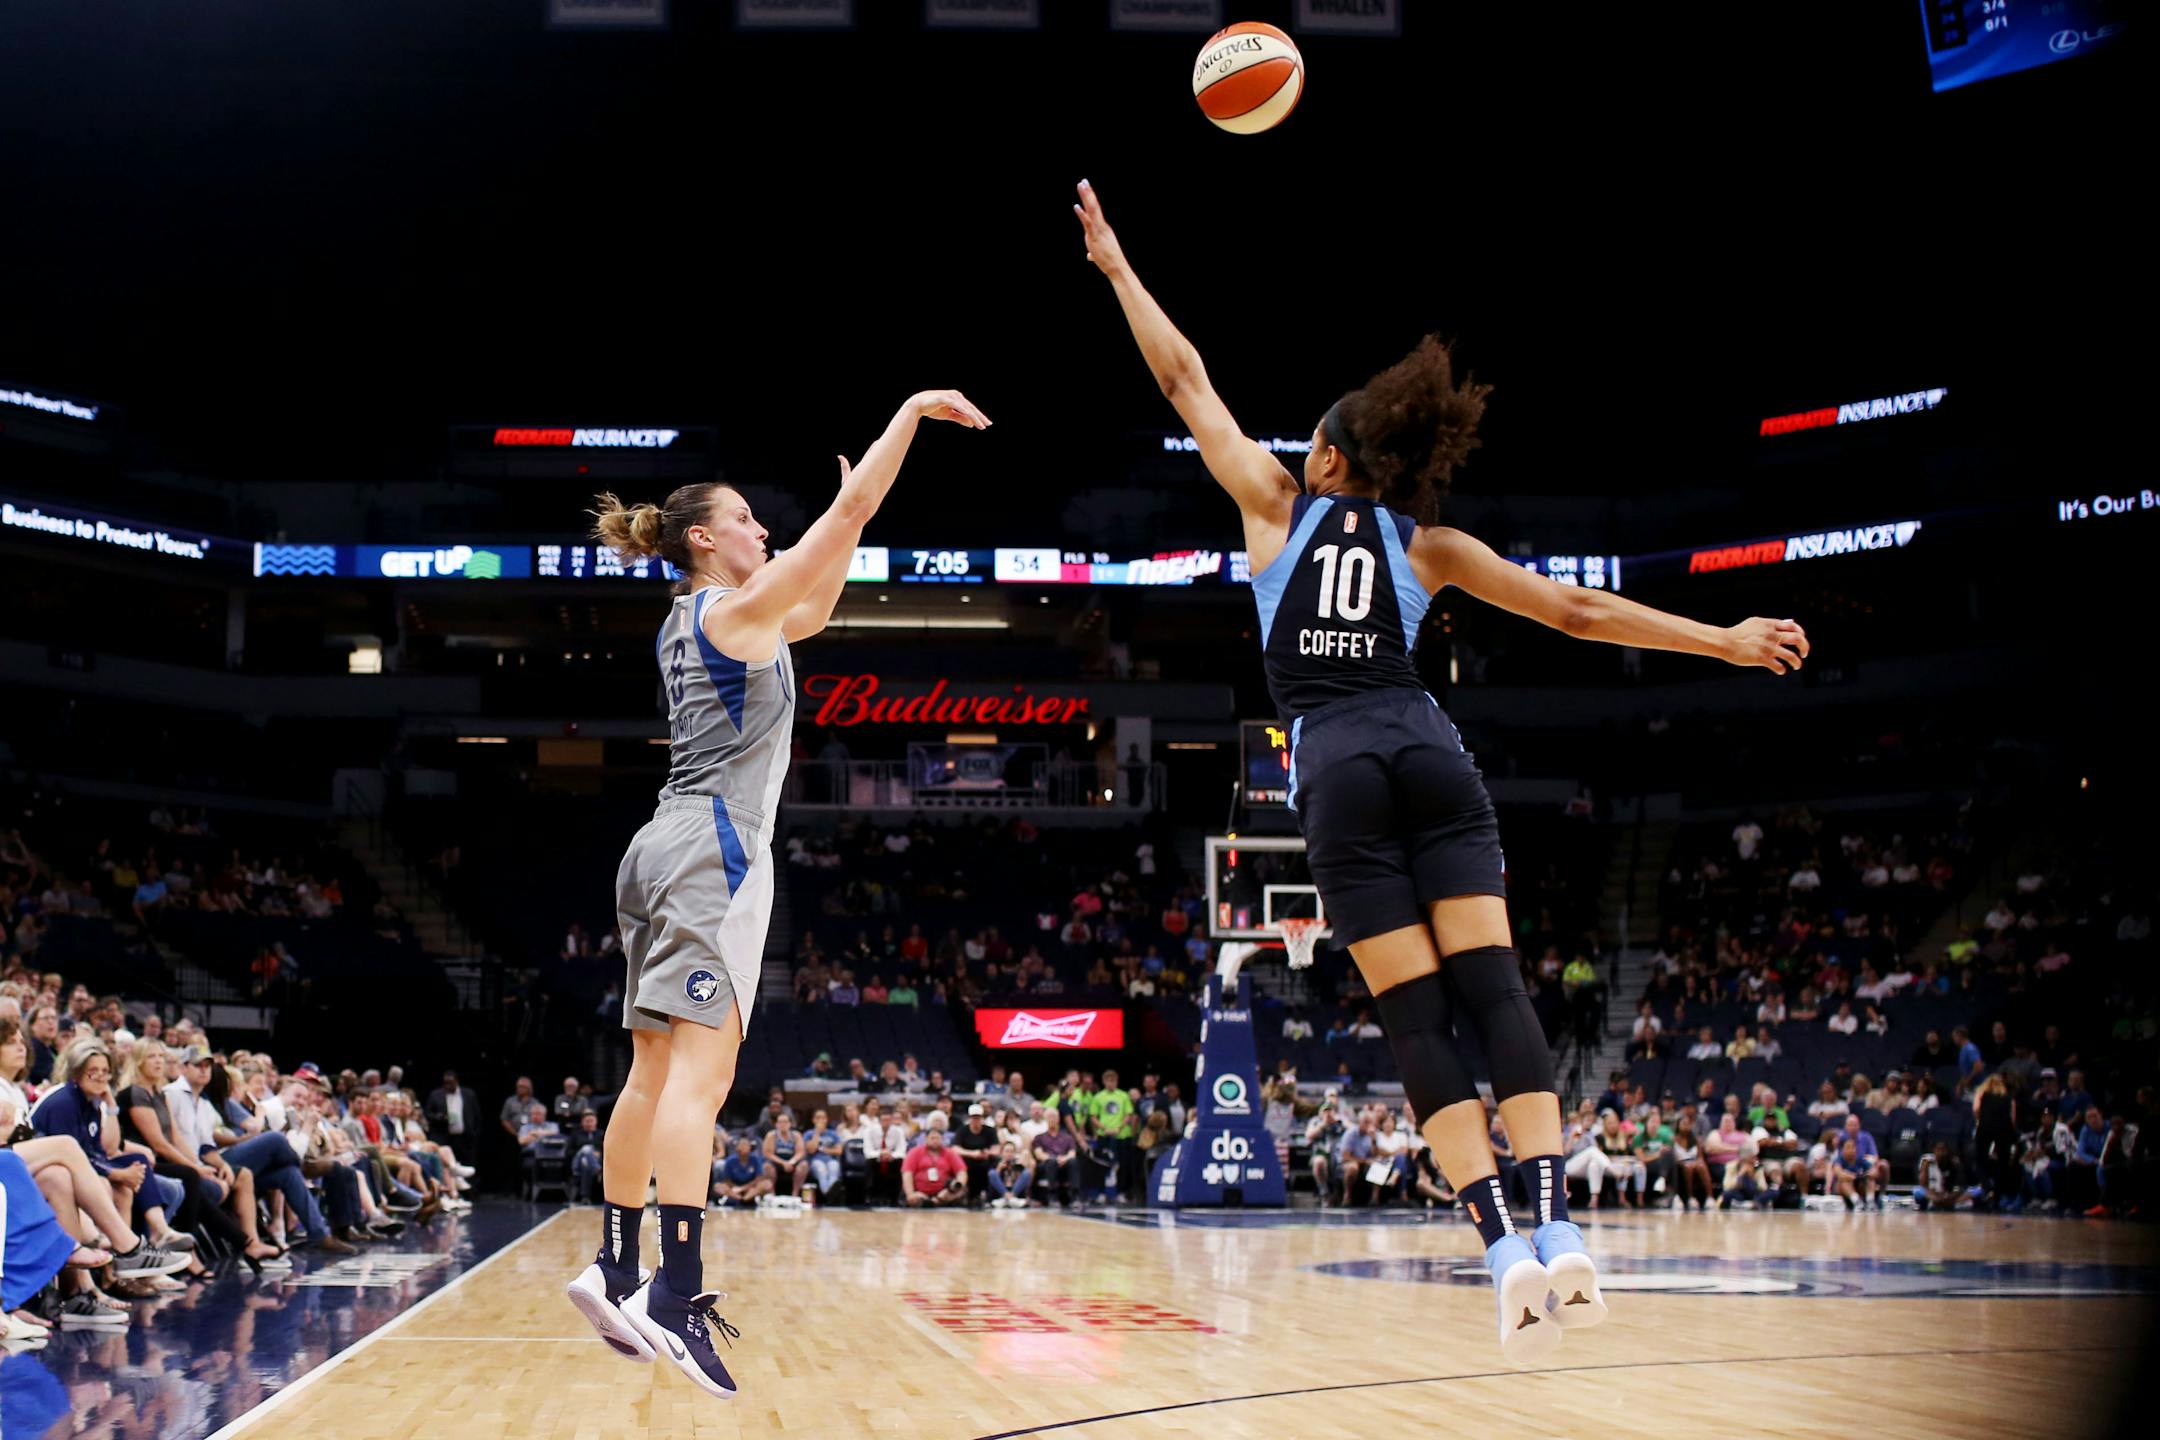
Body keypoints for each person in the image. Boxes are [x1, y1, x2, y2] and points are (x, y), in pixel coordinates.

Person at [1078, 178, 1803, 1356]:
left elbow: (1184, 382)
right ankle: (1563, 1225)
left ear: (1321, 455)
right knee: (1499, 995)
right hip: (1429, 749)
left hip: (1339, 773)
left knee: (1419, 1024)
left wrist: (1117, 268)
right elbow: (1574, 613)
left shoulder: (1273, 506)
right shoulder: (1434, 545)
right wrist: (1720, 638)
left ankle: (1503, 1247)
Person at [565, 388, 991, 1401]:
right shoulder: (730, 608)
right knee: (698, 1089)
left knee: (649, 1075)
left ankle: (618, 1268)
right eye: (749, 518)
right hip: (714, 850)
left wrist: (842, 522)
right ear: (707, 538)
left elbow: (820, 598)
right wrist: (906, 419)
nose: (765, 528)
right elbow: (843, 529)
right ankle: (676, 1292)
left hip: (658, 846)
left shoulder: (703, 617)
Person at [901, 1128, 967, 1207]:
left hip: (945, 1193)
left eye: (937, 1138)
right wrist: (910, 1194)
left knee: (962, 1190)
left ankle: (939, 1201)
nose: (935, 1140)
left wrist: (951, 1191)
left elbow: (962, 1172)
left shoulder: (950, 1153)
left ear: (942, 1139)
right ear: (926, 1139)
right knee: (912, 1199)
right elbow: (907, 1173)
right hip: (919, 1193)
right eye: (932, 1138)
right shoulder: (914, 1152)